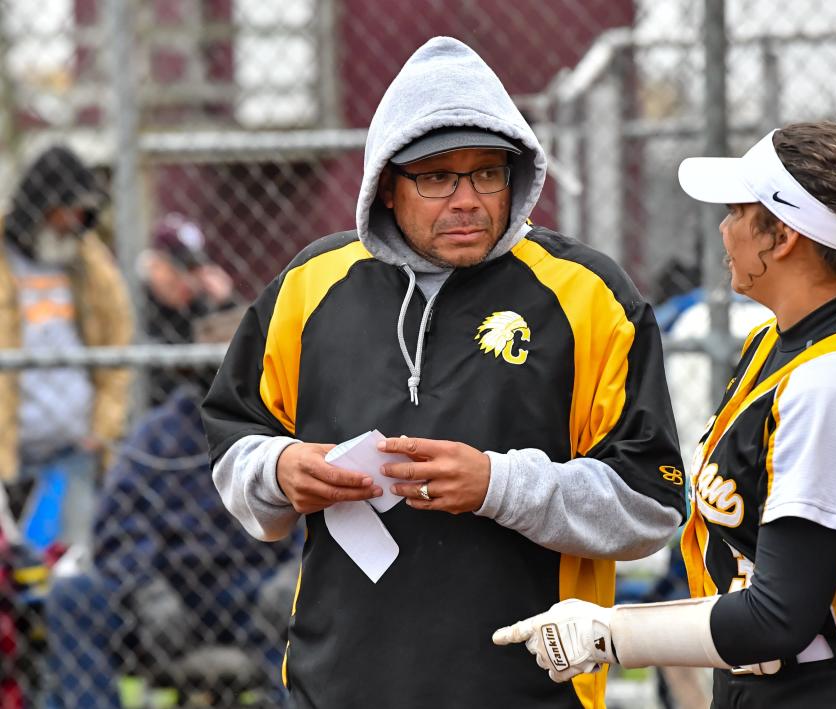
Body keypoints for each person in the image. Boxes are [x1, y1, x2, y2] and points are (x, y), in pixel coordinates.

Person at [201, 36, 686, 708]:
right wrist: (276, 470)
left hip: (529, 691)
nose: (465, 199)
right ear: (388, 187)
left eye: (486, 173)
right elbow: (232, 435)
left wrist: (499, 483)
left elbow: (652, 505)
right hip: (336, 685)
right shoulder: (310, 287)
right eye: (436, 177)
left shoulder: (588, 296)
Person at [494, 121, 836, 708]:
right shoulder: (782, 340)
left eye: (739, 210)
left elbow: (779, 618)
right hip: (786, 684)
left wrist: (609, 634)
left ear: (782, 237)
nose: (724, 227)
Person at [43, 312, 298, 708]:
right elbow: (119, 525)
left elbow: (321, 523)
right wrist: (146, 589)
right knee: (73, 596)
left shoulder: (287, 430)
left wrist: (292, 578)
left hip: (257, 597)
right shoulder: (159, 434)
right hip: (170, 601)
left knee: (306, 610)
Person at [0, 145, 133, 546]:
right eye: (68, 209)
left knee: (69, 567)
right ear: (42, 204)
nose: (75, 222)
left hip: (74, 449)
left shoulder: (89, 262)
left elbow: (118, 343)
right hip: (8, 452)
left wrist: (102, 428)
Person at [139, 213, 236, 406]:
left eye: (194, 269)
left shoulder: (203, 310)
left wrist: (226, 305)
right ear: (155, 266)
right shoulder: (136, 303)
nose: (189, 280)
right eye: (180, 267)